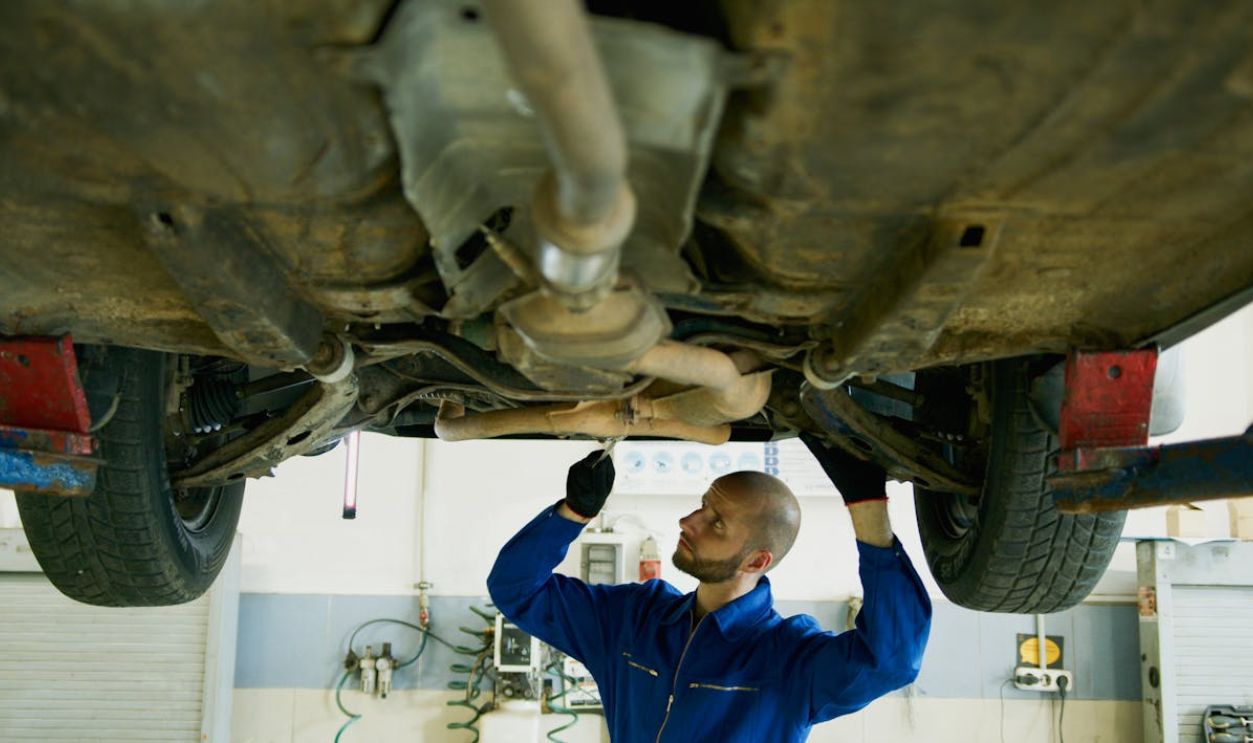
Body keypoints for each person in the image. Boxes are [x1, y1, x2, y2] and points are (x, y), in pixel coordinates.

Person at [487, 435, 931, 742]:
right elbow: (515, 589)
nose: (687, 522)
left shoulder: (791, 659)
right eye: (702, 507)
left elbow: (890, 660)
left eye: (715, 522)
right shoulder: (632, 620)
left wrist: (868, 511)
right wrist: (573, 512)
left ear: (756, 561)